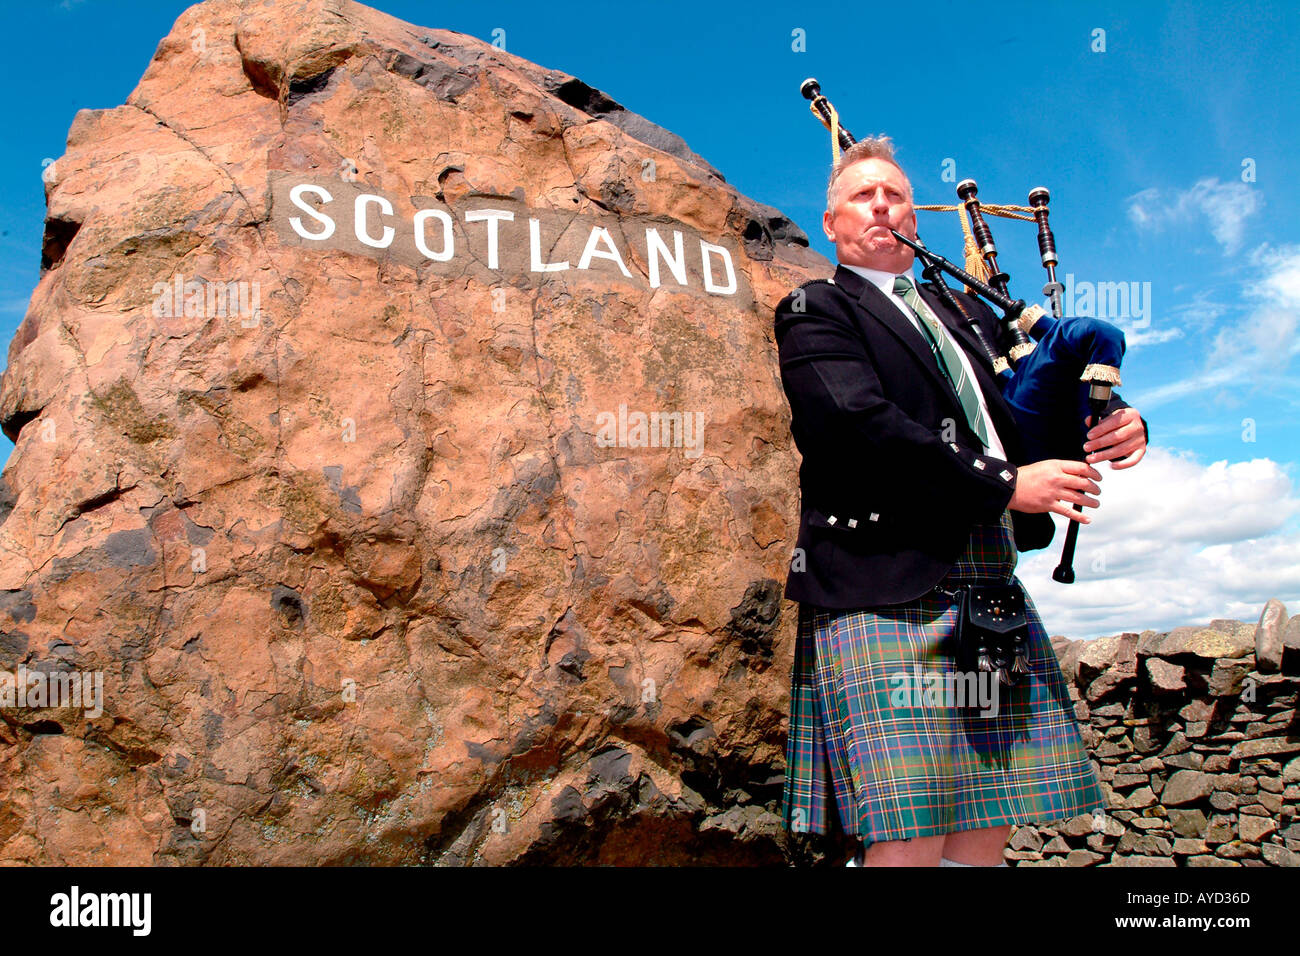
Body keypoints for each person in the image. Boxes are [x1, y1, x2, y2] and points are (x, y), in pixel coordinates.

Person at [775, 137, 1149, 867]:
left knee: (985, 822)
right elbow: (857, 425)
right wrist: (1007, 485)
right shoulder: (816, 309)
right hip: (877, 581)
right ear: (831, 224)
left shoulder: (964, 312)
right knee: (908, 830)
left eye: (896, 196)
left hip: (988, 581)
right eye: (863, 195)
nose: (882, 204)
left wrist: (1115, 413)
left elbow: (1034, 395)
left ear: (916, 215)